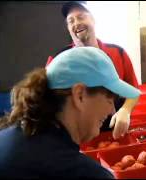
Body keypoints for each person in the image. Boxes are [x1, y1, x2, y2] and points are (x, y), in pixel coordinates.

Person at [0, 47, 140, 178]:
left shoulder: (7, 137)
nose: (112, 110)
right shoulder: (83, 173)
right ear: (80, 95)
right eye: (110, 99)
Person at [46, 1, 139, 139]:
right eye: (71, 21)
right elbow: (47, 100)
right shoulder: (58, 60)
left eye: (81, 17)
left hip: (114, 133)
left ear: (93, 19)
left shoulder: (118, 53)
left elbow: (134, 91)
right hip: (75, 138)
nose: (76, 23)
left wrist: (126, 110)